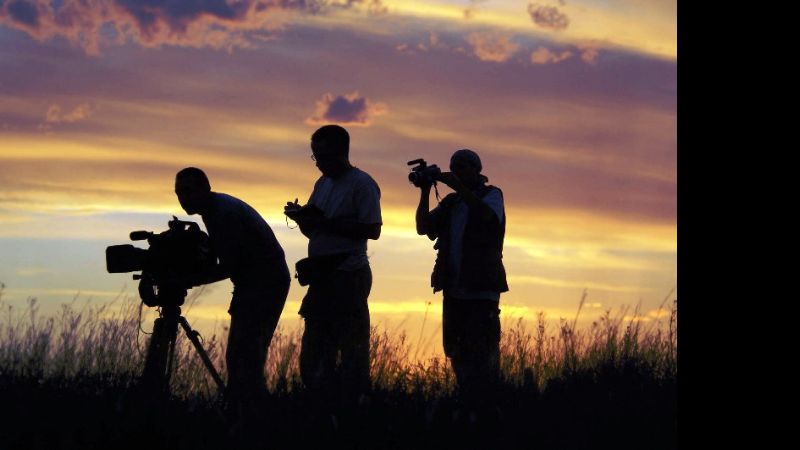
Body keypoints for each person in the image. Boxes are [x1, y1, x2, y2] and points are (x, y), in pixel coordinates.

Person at [173, 167, 290, 407]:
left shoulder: (223, 212)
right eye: (178, 193)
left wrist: (189, 279)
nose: (183, 198)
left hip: (264, 283)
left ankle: (250, 410)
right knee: (240, 355)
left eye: (188, 191)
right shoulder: (213, 210)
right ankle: (246, 406)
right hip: (253, 282)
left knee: (245, 355)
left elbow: (230, 265)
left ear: (205, 189)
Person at [284, 124, 382, 402]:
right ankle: (319, 400)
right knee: (315, 347)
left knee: (352, 349)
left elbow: (372, 229)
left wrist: (323, 222)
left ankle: (356, 402)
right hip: (321, 276)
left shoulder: (363, 184)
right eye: (315, 157)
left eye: (323, 157)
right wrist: (302, 219)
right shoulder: (322, 184)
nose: (319, 164)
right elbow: (316, 231)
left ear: (342, 153)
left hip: (348, 275)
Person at [414, 149, 508, 418]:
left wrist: (457, 187)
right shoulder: (452, 202)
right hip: (454, 289)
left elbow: (488, 218)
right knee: (457, 352)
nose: (458, 171)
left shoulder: (492, 195)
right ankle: (467, 402)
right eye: (455, 167)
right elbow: (423, 228)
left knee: (483, 352)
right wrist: (423, 192)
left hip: (481, 288)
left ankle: (489, 406)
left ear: (478, 169)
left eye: (464, 167)